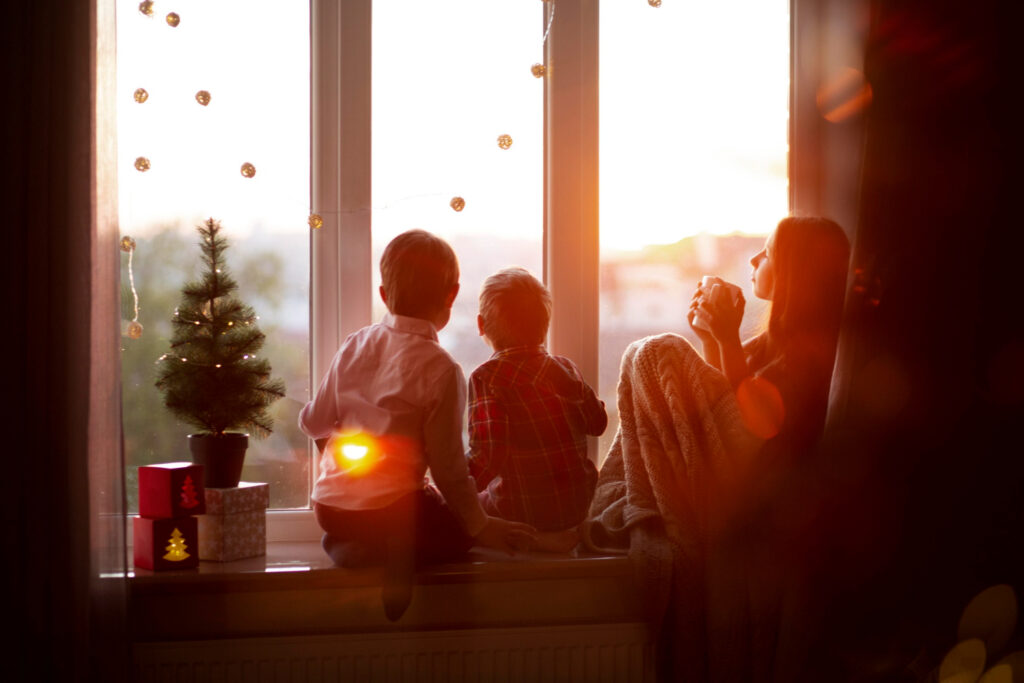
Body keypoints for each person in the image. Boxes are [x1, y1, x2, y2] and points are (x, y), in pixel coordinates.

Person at [584, 216, 851, 682]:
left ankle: (655, 502)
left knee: (659, 352)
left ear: (794, 271)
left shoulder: (812, 355)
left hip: (757, 497)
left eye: (767, 252)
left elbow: (748, 438)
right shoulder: (769, 342)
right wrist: (713, 339)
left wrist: (724, 339)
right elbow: (723, 407)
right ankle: (644, 496)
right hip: (730, 484)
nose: (754, 259)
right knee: (661, 354)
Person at [298, 230, 536, 618]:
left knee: (388, 514)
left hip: (330, 509)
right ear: (452, 295)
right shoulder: (440, 369)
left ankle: (351, 546)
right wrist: (482, 526)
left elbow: (314, 423)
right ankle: (396, 549)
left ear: (383, 295)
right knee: (456, 531)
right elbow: (448, 467)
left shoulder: (354, 344)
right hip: (394, 511)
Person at [467, 267, 608, 552]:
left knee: (460, 514)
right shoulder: (565, 368)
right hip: (578, 505)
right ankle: (565, 534)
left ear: (481, 325)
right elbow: (599, 424)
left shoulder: (488, 377)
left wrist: (453, 487)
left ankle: (534, 539)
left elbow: (488, 456)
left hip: (520, 510)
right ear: (545, 324)